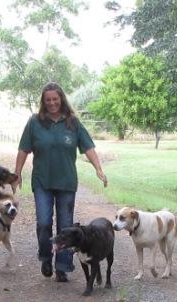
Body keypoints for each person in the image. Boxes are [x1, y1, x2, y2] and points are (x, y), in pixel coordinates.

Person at [12, 82, 107, 282]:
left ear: (61, 99)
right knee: (44, 222)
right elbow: (23, 149)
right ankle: (46, 256)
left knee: (66, 226)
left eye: (55, 99)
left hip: (66, 182)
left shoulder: (72, 122)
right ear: (43, 102)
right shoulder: (34, 122)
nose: (52, 103)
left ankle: (62, 266)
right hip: (42, 181)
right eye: (48, 100)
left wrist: (98, 168)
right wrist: (17, 173)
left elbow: (88, 148)